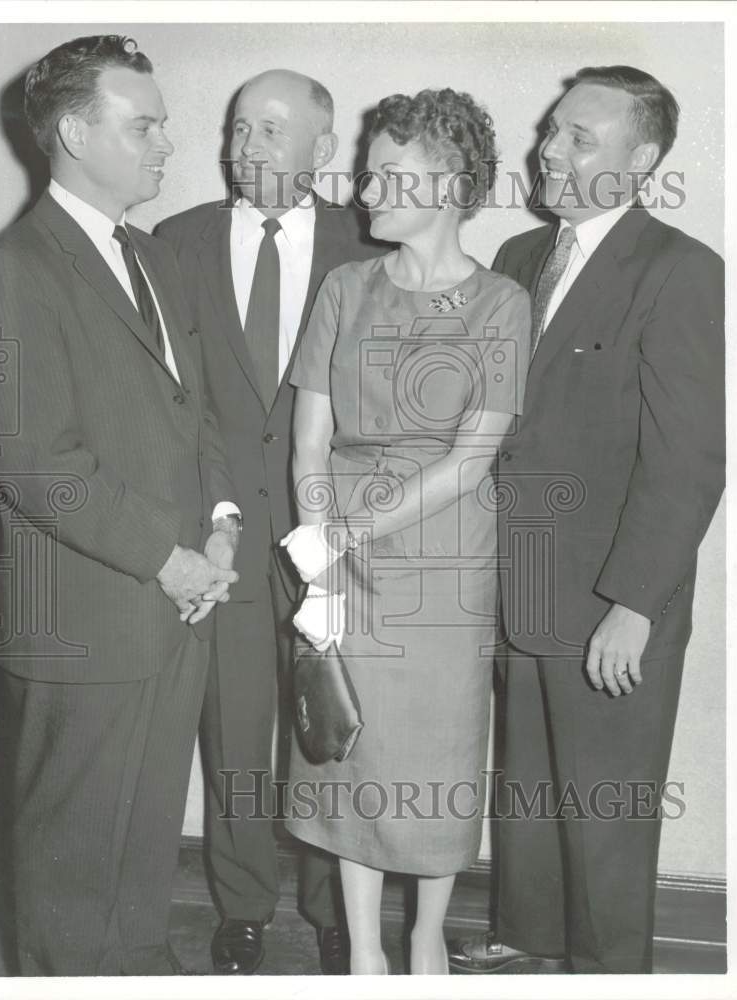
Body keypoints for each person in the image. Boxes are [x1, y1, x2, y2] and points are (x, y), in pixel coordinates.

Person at [0, 35, 241, 975]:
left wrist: (220, 530)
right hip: (86, 618)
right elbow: (35, 462)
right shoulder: (10, 271)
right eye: (146, 124)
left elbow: (190, 415)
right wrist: (169, 560)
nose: (169, 143)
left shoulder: (157, 260)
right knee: (73, 866)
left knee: (140, 851)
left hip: (176, 605)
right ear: (77, 131)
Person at [447, 66, 725, 975]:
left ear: (641, 159)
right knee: (523, 787)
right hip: (518, 582)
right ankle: (526, 942)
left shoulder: (682, 270)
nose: (549, 152)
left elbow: (688, 458)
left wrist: (633, 602)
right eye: (552, 131)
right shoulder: (518, 260)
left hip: (612, 600)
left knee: (606, 805)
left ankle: (612, 975)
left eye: (579, 138)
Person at [280, 88, 531, 975]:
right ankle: (362, 953)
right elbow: (309, 433)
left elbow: (471, 458)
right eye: (367, 170)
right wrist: (319, 541)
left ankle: (424, 937)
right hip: (337, 545)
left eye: (391, 173)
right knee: (346, 744)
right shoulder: (345, 288)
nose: (366, 189)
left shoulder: (501, 303)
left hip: (441, 555)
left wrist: (349, 528)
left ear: (451, 184)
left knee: (432, 747)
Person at [156, 69, 378, 974]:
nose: (248, 146)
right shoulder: (175, 241)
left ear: (321, 151)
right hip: (227, 532)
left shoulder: (369, 246)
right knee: (234, 723)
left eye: (272, 131)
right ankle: (242, 905)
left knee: (330, 721)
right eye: (240, 126)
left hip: (340, 531)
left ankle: (335, 912)